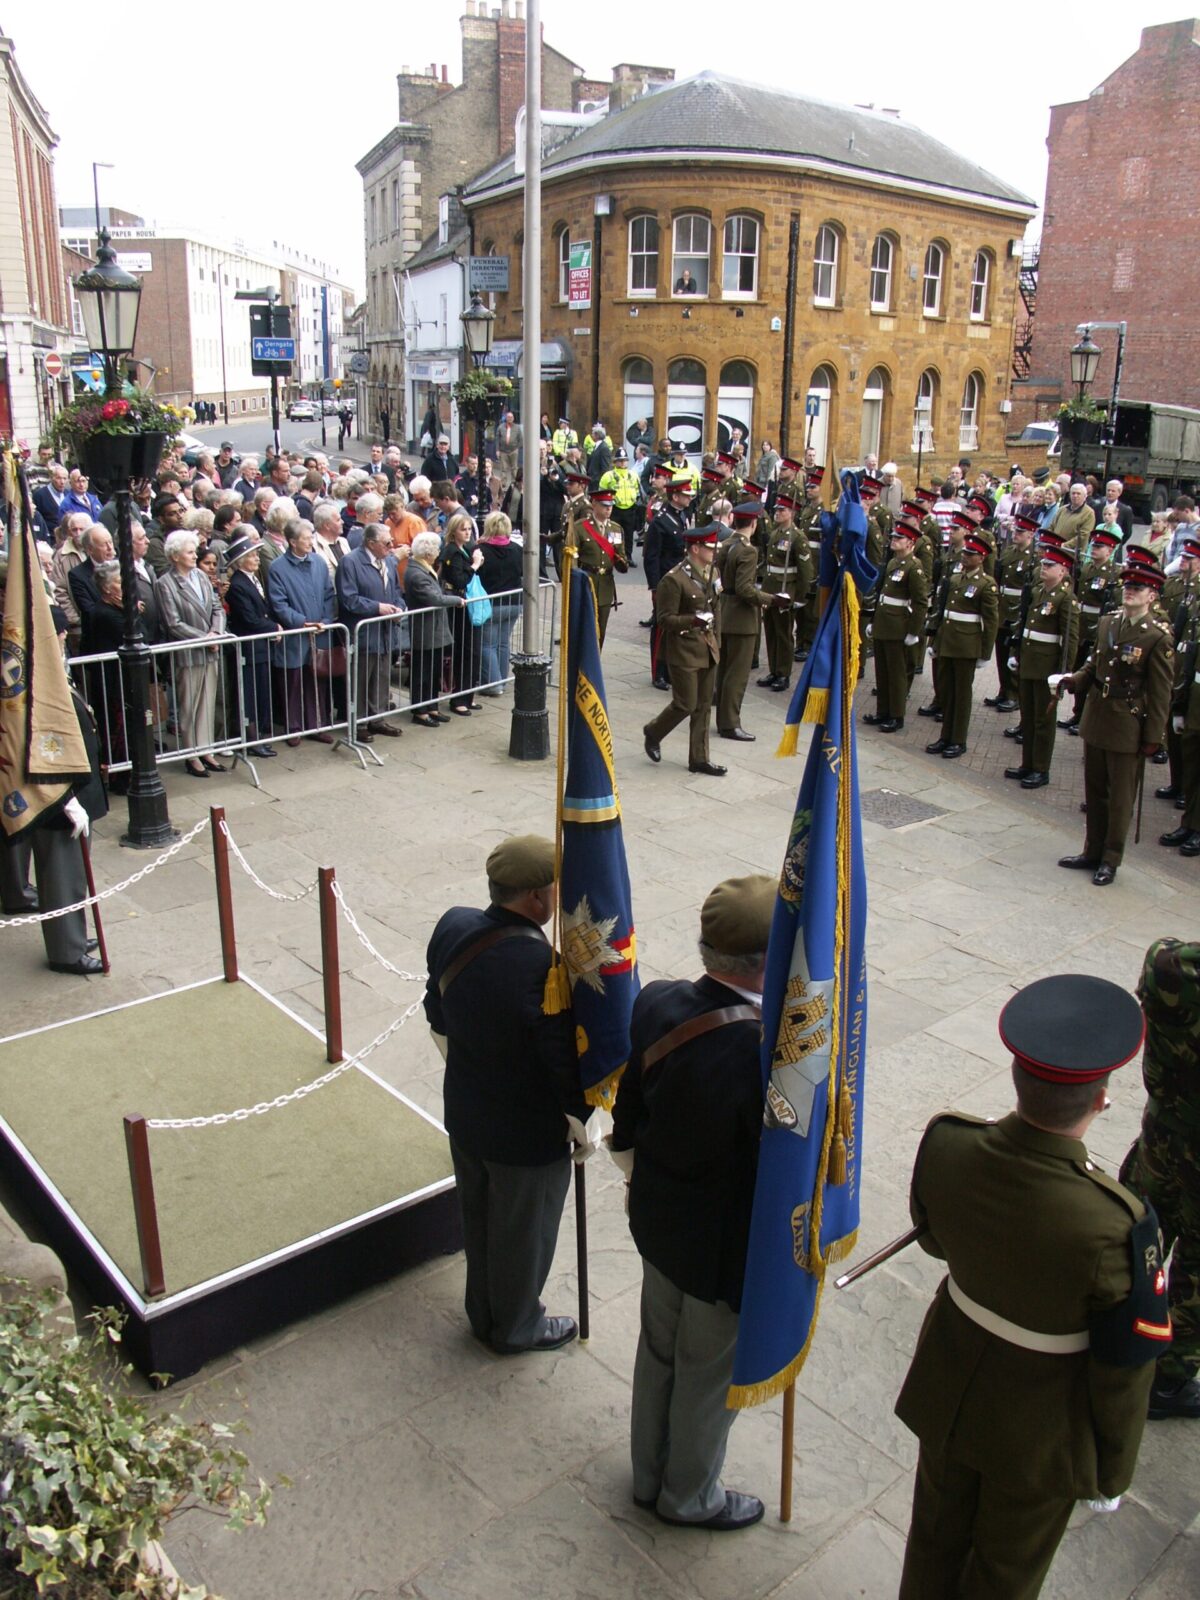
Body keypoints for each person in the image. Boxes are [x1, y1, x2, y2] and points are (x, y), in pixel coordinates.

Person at [896, 973, 1168, 1599]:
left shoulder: (949, 1143)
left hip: (949, 1379)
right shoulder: (1116, 1222)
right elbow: (1124, 1366)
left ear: (1017, 1076)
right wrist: (1112, 1469)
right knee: (1007, 1571)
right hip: (1040, 1428)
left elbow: (935, 1240)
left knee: (933, 1540)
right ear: (1101, 1099)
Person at [611, 873, 775, 1530]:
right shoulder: (765, 1055)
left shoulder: (658, 1000)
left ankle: (648, 1474)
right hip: (719, 1251)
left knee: (658, 1351)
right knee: (706, 1376)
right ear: (768, 960)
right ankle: (689, 1498)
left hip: (658, 1222)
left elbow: (628, 1115)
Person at [423, 834, 591, 1353]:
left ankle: (485, 1314)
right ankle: (516, 1327)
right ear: (537, 899)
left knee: (479, 1222)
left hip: (466, 1112)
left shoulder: (454, 926)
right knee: (524, 1235)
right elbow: (563, 1064)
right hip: (525, 1137)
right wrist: (582, 1125)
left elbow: (436, 1013)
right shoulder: (545, 970)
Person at [1120, 938, 1200, 1420]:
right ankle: (1167, 1381)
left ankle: (1106, 1330)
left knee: (1134, 1236)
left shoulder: (1168, 964)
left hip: (1162, 1137)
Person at [1058, 562, 1173, 884]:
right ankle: (1091, 850)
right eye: (1127, 586)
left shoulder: (1157, 637)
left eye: (1137, 588)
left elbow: (1161, 693)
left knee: (1120, 799)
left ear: (1152, 596)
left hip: (1127, 723)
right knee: (1095, 792)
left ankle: (1110, 859)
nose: (1130, 591)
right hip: (1098, 715)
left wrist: (1154, 737)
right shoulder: (1109, 622)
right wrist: (1076, 680)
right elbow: (1095, 663)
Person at [642, 523, 724, 776]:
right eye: (710, 547)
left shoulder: (713, 571)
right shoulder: (674, 579)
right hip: (683, 649)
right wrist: (693, 621)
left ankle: (699, 758)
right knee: (685, 703)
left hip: (707, 647)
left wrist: (717, 641)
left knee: (703, 705)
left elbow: (717, 608)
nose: (714, 552)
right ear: (695, 549)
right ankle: (653, 731)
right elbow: (664, 619)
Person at [1004, 545, 1079, 789]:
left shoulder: (1066, 599)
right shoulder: (1037, 592)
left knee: (1043, 721)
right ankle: (1027, 764)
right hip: (1029, 662)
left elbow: (1070, 640)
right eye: (1043, 564)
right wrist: (1017, 654)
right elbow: (1024, 626)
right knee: (1028, 717)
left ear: (1063, 571)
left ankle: (1040, 768)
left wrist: (1064, 673)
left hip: (1047, 668)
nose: (1043, 568)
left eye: (1049, 565)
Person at [155, 529, 228, 778]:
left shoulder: (201, 576)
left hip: (211, 649)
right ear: (175, 556)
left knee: (208, 702)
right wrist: (204, 639)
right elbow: (173, 623)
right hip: (188, 653)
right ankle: (191, 755)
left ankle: (206, 750)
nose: (194, 555)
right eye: (189, 552)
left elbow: (217, 607)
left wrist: (216, 633)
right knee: (189, 705)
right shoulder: (165, 583)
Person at [265, 520, 338, 747]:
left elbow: (329, 595)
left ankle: (317, 725)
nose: (310, 542)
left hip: (319, 632)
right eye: (306, 538)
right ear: (292, 541)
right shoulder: (277, 568)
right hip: (295, 636)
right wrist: (300, 622)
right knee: (293, 683)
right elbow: (278, 604)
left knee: (317, 681)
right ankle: (293, 728)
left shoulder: (318, 562)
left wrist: (326, 620)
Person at [926, 531, 998, 760]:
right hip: (947, 643)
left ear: (982, 558)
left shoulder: (986, 584)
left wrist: (985, 653)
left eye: (971, 553)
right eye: (965, 552)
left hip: (966, 647)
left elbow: (991, 621)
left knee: (961, 696)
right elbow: (943, 614)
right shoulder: (956, 579)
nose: (965, 556)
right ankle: (945, 736)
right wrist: (935, 641)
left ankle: (958, 739)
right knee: (946, 692)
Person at [714, 502, 782, 742]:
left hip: (725, 611)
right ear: (753, 523)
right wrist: (771, 600)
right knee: (737, 674)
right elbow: (745, 589)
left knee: (724, 671)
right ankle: (730, 723)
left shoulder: (726, 544)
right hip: (742, 619)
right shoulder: (748, 551)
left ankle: (723, 719)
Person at [337, 521, 405, 741]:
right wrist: (377, 608)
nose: (391, 546)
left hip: (385, 632)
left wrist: (399, 608)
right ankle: (359, 723)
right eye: (386, 543)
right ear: (371, 542)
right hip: (364, 633)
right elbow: (348, 598)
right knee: (361, 679)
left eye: (391, 541)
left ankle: (377, 718)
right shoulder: (350, 562)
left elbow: (396, 591)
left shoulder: (388, 562)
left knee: (382, 677)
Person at [864, 519, 929, 733]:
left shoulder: (914, 567)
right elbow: (882, 595)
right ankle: (882, 711)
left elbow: (920, 602)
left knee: (896, 674)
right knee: (882, 672)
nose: (894, 540)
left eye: (899, 538)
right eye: (893, 536)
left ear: (910, 542)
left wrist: (913, 631)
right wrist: (874, 621)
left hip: (898, 627)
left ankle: (896, 715)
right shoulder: (893, 562)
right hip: (884, 623)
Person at [223, 535, 280, 758]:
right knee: (250, 694)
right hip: (249, 647)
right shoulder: (238, 585)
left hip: (260, 647)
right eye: (252, 555)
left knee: (260, 692)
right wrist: (274, 627)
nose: (257, 559)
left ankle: (259, 736)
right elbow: (250, 619)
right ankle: (251, 738)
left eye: (257, 555)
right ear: (241, 560)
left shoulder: (252, 580)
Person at [403, 531, 461, 726]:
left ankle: (432, 706)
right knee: (423, 672)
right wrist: (456, 600)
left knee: (434, 670)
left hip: (434, 629)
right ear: (428, 553)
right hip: (425, 630)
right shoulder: (416, 573)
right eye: (436, 549)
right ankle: (420, 711)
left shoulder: (424, 568)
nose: (438, 553)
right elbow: (434, 598)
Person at [437, 511, 484, 716]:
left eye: (469, 529)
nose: (467, 533)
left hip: (467, 605)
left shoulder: (465, 549)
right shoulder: (451, 552)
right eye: (462, 529)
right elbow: (460, 580)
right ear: (453, 531)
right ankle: (459, 698)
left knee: (472, 652)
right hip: (458, 607)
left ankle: (468, 695)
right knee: (464, 652)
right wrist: (475, 565)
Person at [475, 509, 523, 692]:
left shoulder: (482, 551)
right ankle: (501, 679)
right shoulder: (517, 549)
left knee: (487, 645)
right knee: (503, 643)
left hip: (492, 603)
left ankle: (493, 685)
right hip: (514, 602)